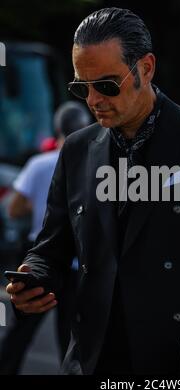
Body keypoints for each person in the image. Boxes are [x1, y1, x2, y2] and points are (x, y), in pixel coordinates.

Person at [6, 8, 180, 375]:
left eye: (106, 85)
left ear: (146, 68)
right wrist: (35, 275)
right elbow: (53, 245)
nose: (92, 100)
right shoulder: (76, 150)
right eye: (81, 87)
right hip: (95, 363)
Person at [0, 101, 91, 374]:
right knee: (72, 336)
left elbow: (14, 210)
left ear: (57, 127)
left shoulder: (39, 164)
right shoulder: (94, 164)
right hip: (77, 259)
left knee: (23, 330)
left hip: (38, 255)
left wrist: (39, 204)